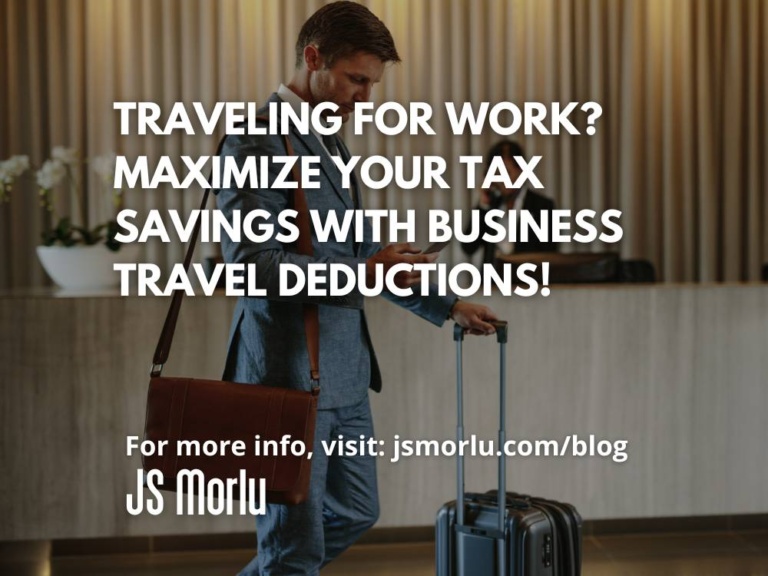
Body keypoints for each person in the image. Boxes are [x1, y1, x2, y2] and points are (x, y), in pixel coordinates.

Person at [215, 3, 498, 575]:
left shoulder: (329, 143)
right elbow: (252, 267)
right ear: (314, 59)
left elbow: (363, 257)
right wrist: (366, 271)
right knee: (293, 546)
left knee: (356, 512)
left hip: (342, 374)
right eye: (357, 80)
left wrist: (448, 305)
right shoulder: (253, 140)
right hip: (287, 375)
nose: (364, 98)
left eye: (372, 84)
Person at [462, 140, 558, 265]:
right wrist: (483, 204)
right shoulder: (491, 206)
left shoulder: (542, 206)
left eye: (507, 172)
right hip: (491, 282)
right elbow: (468, 247)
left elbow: (549, 254)